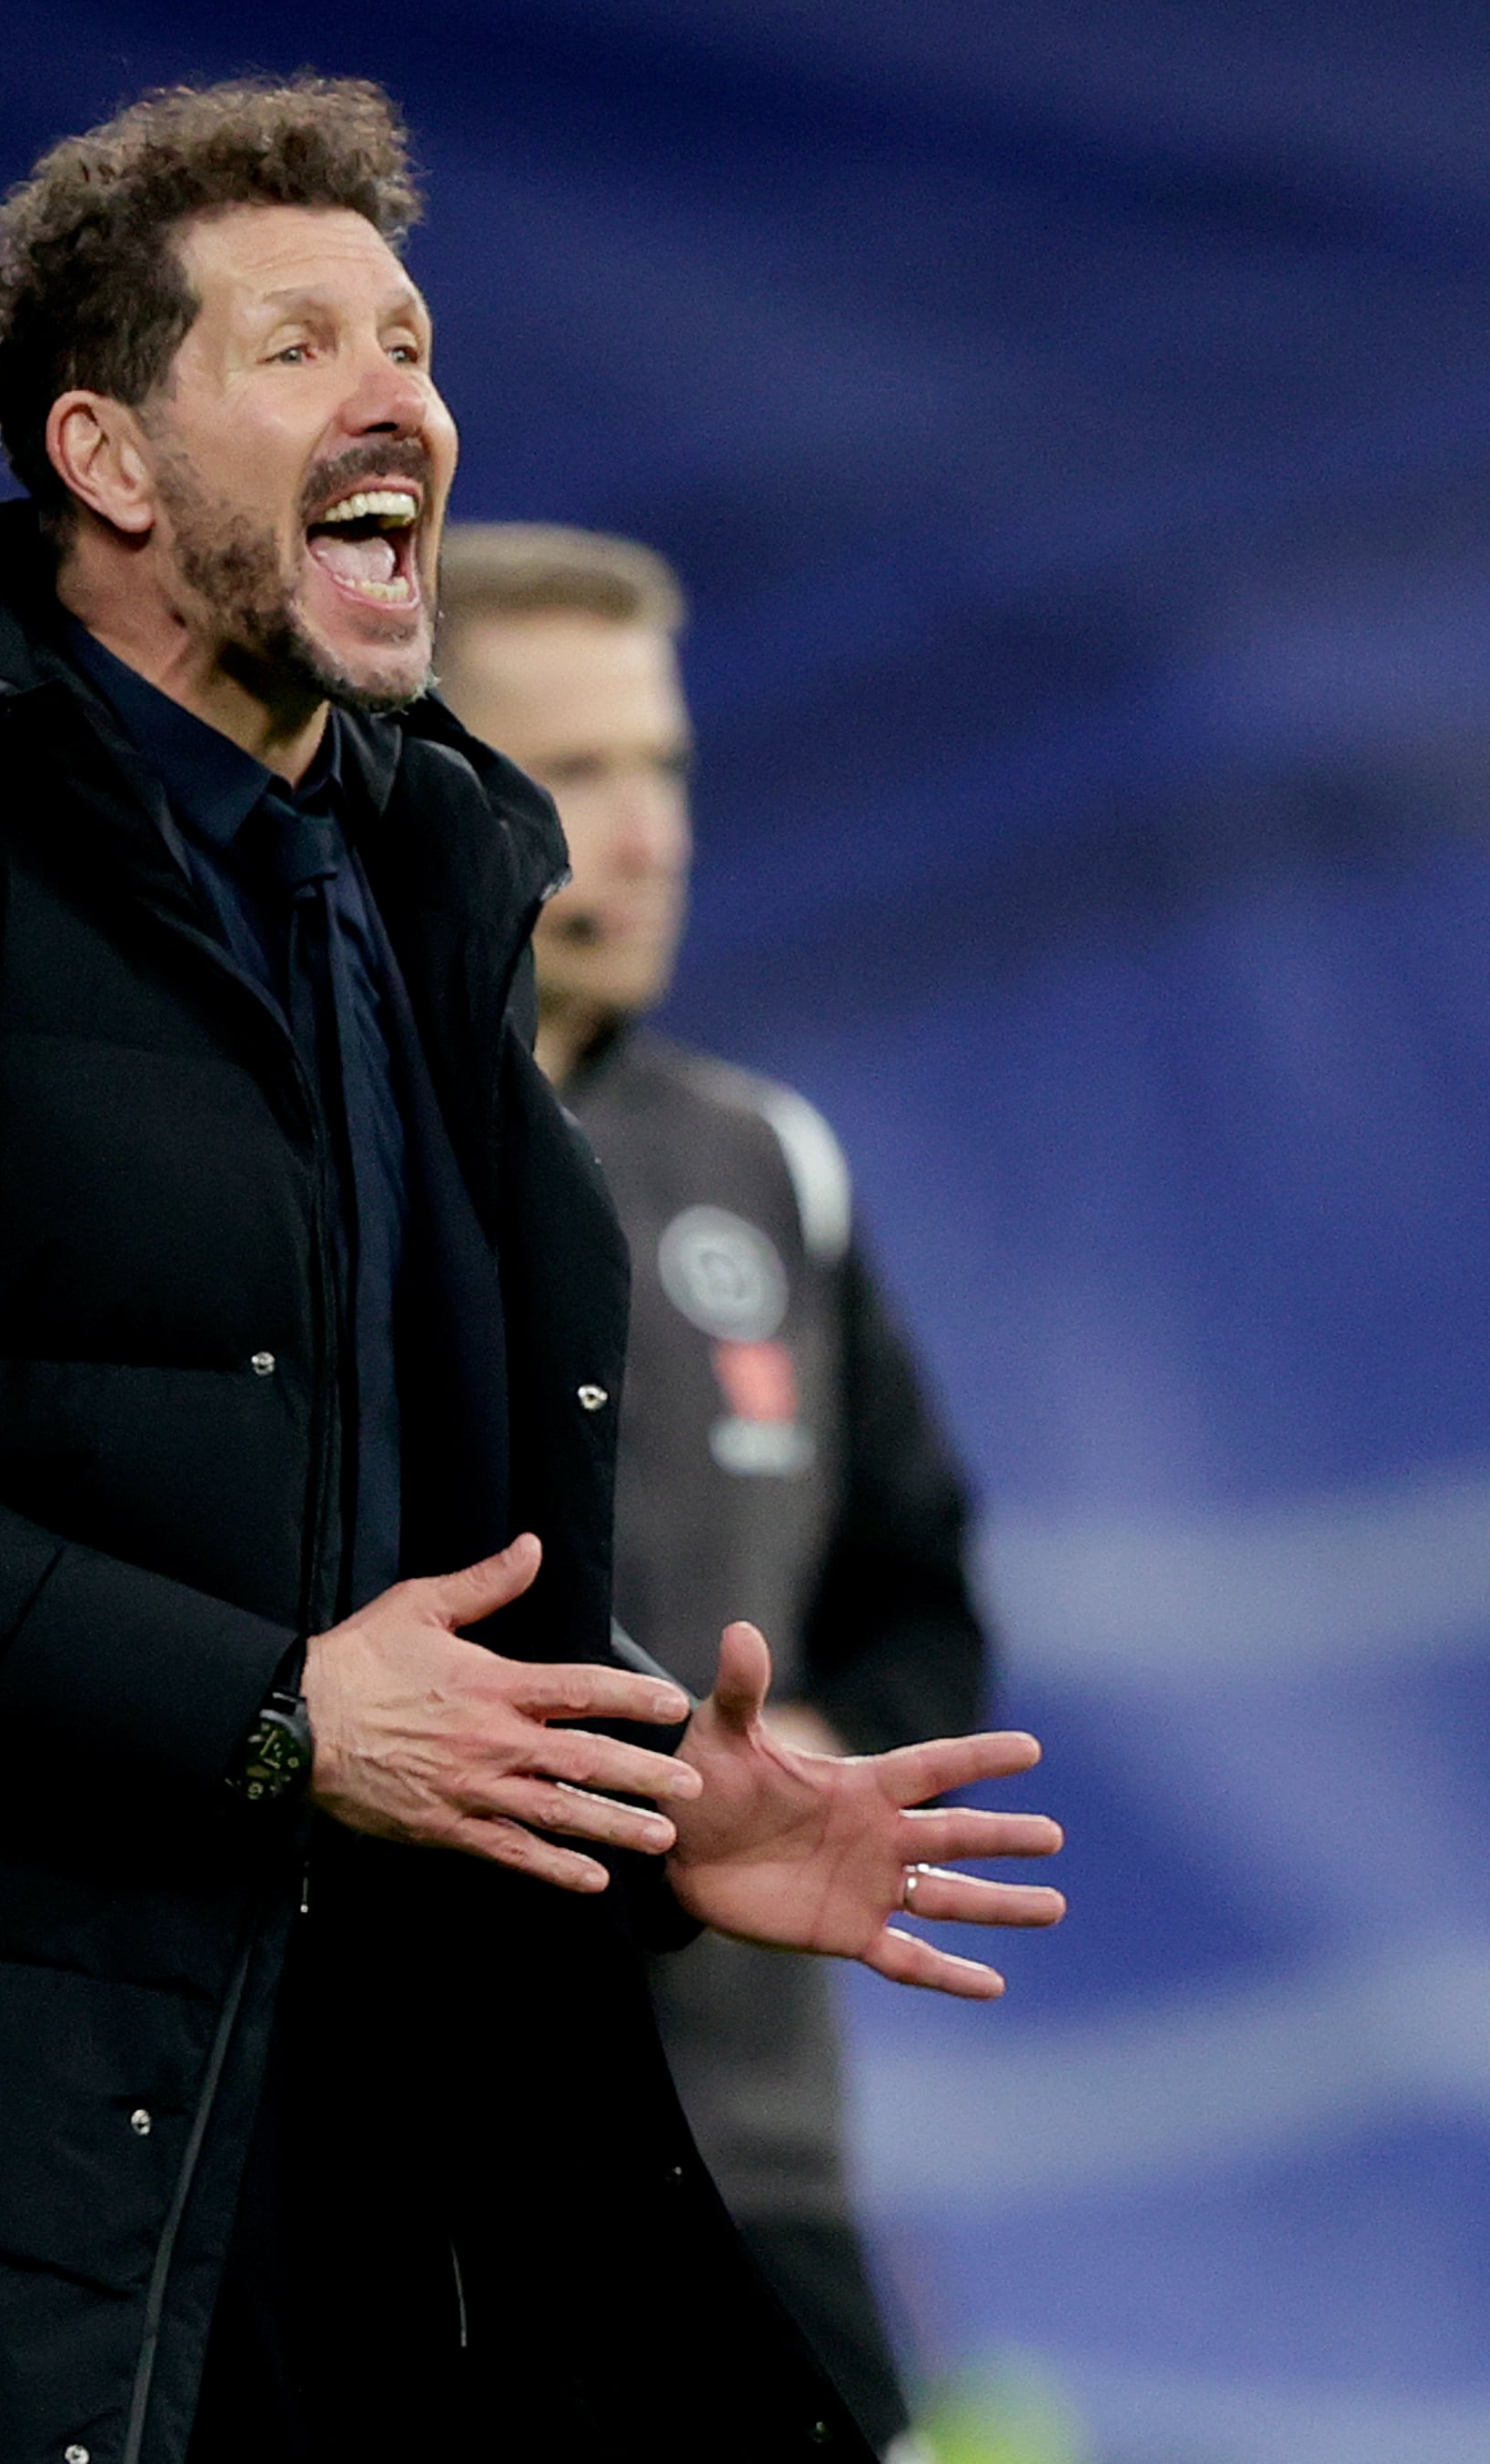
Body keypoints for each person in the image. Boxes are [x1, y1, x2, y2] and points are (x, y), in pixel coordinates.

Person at [0, 77, 1062, 2464]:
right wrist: (269, 1714)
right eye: (296, 347)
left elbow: (387, 1553)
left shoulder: (427, 914)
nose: (399, 402)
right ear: (109, 459)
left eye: (415, 341)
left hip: (385, 2225)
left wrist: (659, 1799)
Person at [435, 524, 989, 2457]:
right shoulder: (329, 1154)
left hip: (751, 2167)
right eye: (574, 772)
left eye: (660, 766)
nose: (646, 828)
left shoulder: (768, 1169)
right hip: (409, 2185)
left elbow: (920, 1601)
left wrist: (818, 1756)